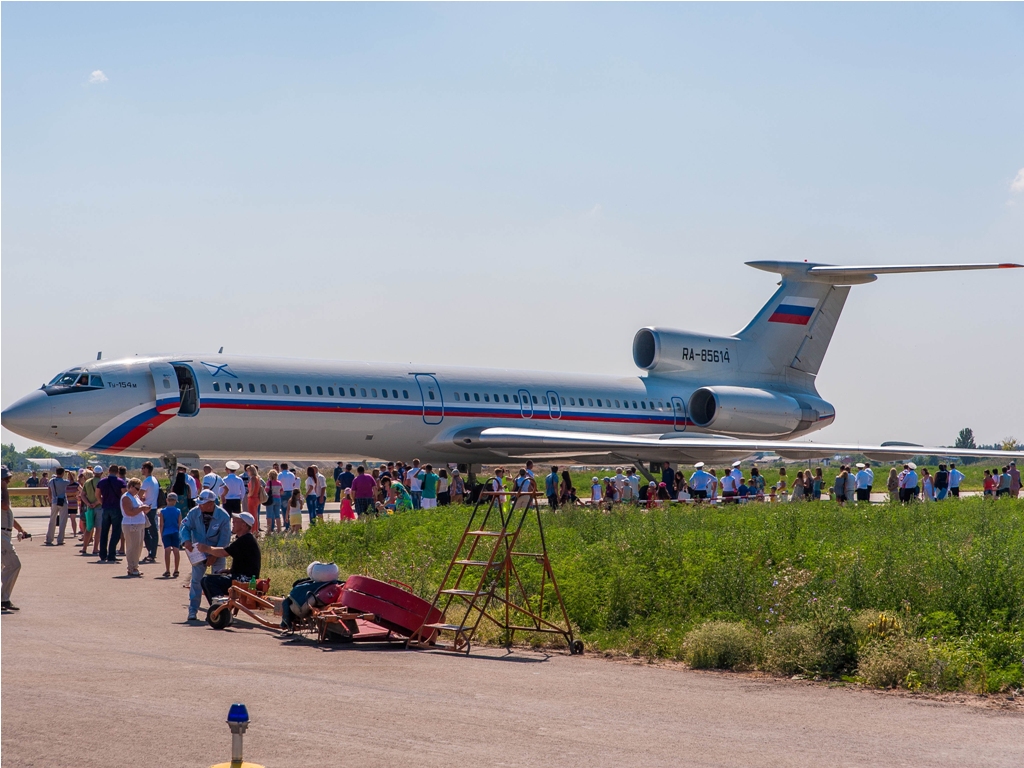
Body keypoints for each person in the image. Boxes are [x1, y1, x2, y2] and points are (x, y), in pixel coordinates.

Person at [179, 489, 232, 621]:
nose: (200, 506)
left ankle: (218, 612)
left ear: (211, 503)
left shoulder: (223, 516)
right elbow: (184, 526)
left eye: (202, 503)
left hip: (217, 552)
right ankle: (192, 611)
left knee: (218, 582)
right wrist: (186, 540)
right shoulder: (194, 512)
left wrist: (214, 555)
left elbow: (225, 539)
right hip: (199, 553)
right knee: (196, 582)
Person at [196, 512, 261, 608]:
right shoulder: (244, 539)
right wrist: (229, 571)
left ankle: (220, 608)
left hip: (245, 579)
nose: (233, 522)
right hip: (242, 576)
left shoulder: (245, 539)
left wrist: (206, 548)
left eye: (236, 521)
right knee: (206, 580)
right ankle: (220, 607)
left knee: (208, 581)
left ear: (244, 525)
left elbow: (223, 553)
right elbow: (246, 563)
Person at [2, 466, 31, 611]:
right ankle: (3, 599)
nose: (8, 481)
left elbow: (9, 516)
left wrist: (21, 529)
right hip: (1, 535)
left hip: (5, 533)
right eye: (5, 479)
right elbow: (5, 506)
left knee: (7, 566)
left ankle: (4, 598)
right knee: (14, 565)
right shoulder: (2, 493)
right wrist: (4, 489)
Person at [119, 478, 150, 577]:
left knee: (138, 546)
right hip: (131, 524)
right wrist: (141, 508)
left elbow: (138, 510)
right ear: (131, 486)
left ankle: (135, 566)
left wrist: (145, 508)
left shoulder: (135, 496)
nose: (138, 490)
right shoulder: (126, 497)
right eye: (137, 488)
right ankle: (131, 567)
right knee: (132, 546)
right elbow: (129, 512)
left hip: (139, 523)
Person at [97, 465, 126, 563]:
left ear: (109, 471)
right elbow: (124, 494)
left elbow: (97, 494)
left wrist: (102, 502)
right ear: (117, 471)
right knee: (116, 532)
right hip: (117, 508)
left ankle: (103, 554)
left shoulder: (102, 482)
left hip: (106, 508)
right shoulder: (121, 482)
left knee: (104, 531)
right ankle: (111, 554)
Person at [139, 461, 161, 564]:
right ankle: (151, 552)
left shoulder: (147, 481)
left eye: (143, 468)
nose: (141, 470)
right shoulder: (154, 479)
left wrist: (140, 500)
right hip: (153, 507)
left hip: (148, 508)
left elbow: (139, 494)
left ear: (147, 469)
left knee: (148, 531)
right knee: (151, 531)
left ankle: (152, 553)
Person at [45, 467, 71, 546]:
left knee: (52, 520)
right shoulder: (64, 482)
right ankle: (60, 539)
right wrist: (69, 473)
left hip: (54, 501)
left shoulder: (51, 481)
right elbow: (72, 481)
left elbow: (49, 492)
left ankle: (49, 538)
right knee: (63, 521)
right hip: (62, 501)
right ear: (63, 473)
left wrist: (50, 500)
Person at [158, 492, 182, 578]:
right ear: (175, 501)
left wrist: (161, 533)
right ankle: (176, 570)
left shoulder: (163, 511)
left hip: (166, 532)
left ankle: (167, 570)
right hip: (175, 532)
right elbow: (180, 523)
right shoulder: (178, 511)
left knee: (167, 550)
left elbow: (161, 524)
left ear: (167, 500)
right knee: (176, 550)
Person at [79, 468, 101, 555]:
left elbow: (82, 495)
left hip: (89, 508)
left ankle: (84, 548)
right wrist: (96, 503)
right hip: (99, 507)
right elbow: (102, 496)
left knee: (88, 528)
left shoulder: (87, 482)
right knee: (98, 529)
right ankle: (95, 548)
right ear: (101, 473)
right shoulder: (102, 482)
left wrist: (88, 503)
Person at [277, 463, 299, 529]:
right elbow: (294, 483)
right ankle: (292, 524)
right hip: (290, 492)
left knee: (284, 509)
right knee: (291, 508)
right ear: (287, 467)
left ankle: (287, 525)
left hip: (283, 492)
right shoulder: (292, 474)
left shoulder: (280, 474)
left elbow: (278, 483)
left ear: (281, 468)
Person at [245, 464, 263, 533]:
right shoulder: (258, 478)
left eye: (248, 471)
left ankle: (253, 530)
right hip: (256, 498)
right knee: (255, 515)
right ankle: (256, 530)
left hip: (252, 498)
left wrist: (249, 495)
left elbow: (252, 489)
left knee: (252, 515)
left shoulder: (253, 478)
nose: (248, 472)